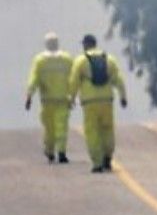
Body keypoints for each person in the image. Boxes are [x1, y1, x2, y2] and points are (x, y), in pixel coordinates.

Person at [69, 34, 127, 173]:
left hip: (89, 102)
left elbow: (73, 82)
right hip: (107, 99)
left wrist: (71, 99)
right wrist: (123, 96)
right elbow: (118, 79)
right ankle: (108, 156)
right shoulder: (109, 59)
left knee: (92, 132)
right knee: (107, 129)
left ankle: (97, 162)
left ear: (86, 45)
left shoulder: (81, 61)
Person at [25, 32, 74, 163]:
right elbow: (73, 79)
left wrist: (29, 96)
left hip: (47, 101)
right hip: (63, 99)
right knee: (61, 127)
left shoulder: (40, 60)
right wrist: (73, 96)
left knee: (49, 128)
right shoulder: (67, 59)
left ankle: (50, 152)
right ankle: (62, 152)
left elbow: (33, 79)